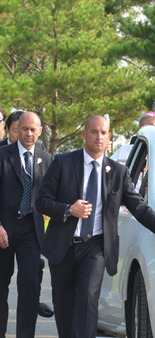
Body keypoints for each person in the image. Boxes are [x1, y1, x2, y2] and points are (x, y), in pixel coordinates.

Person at [35, 115, 155, 338]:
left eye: (103, 133)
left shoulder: (118, 173)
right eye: (93, 132)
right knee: (64, 304)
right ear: (84, 135)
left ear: (109, 137)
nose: (98, 137)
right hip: (64, 245)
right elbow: (42, 201)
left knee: (88, 298)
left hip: (95, 247)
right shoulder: (63, 163)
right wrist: (68, 210)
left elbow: (139, 208)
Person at [0, 112, 54, 337]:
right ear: (16, 130)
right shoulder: (2, 155)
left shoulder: (48, 159)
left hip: (31, 230)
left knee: (30, 286)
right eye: (24, 129)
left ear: (40, 131)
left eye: (33, 129)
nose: (29, 133)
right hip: (3, 229)